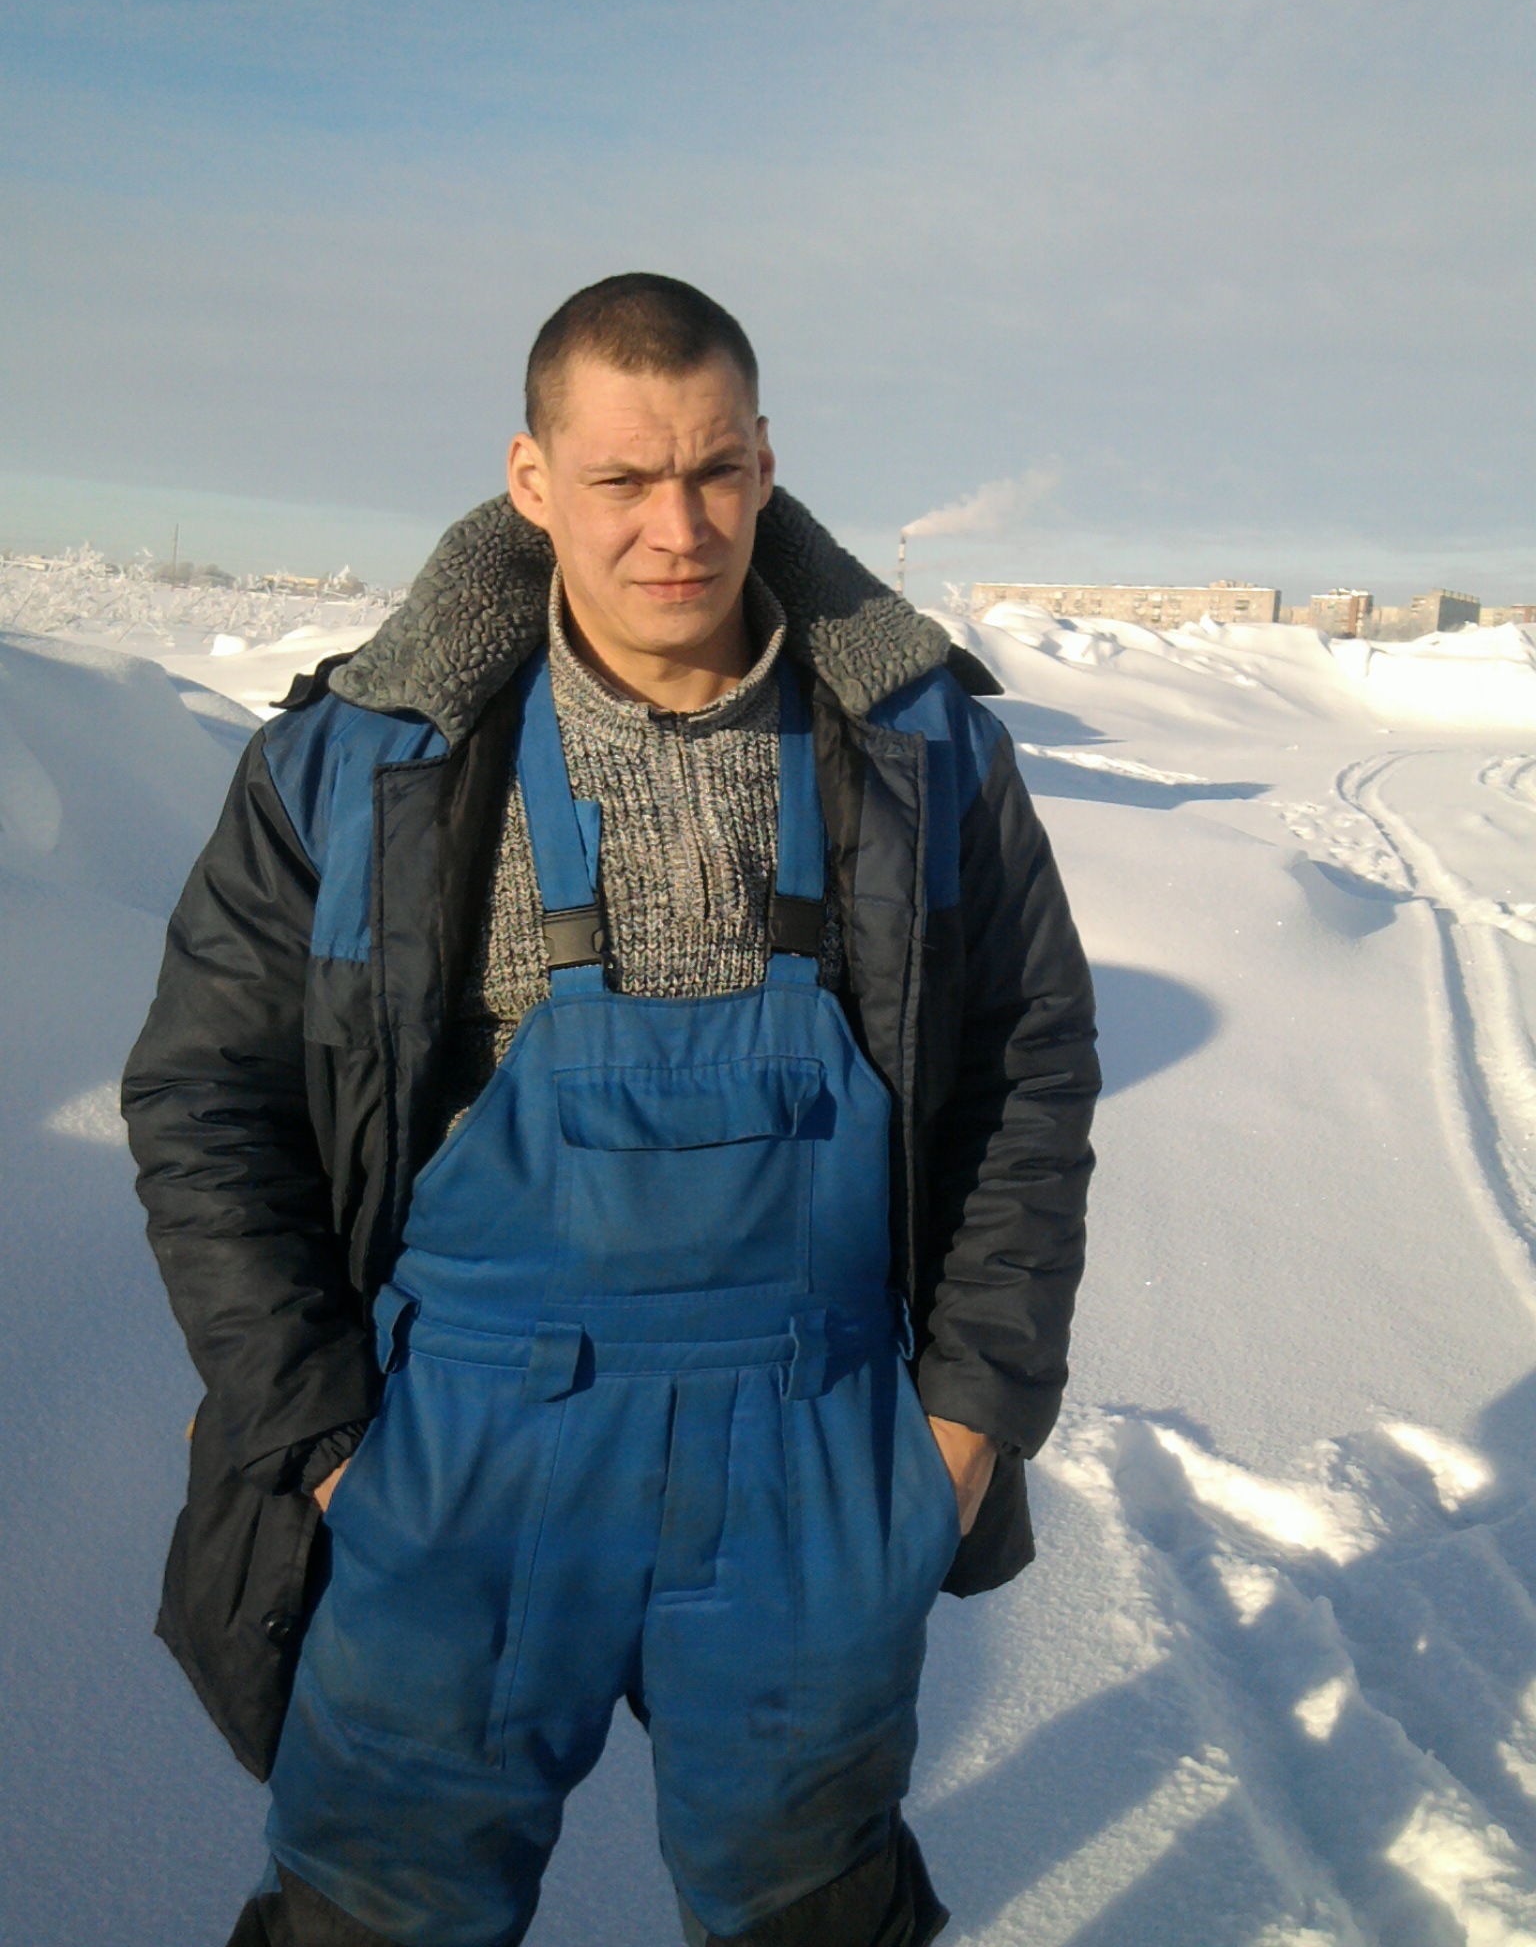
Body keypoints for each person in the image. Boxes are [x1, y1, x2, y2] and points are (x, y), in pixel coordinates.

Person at [123, 272, 1099, 1947]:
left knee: (812, 1910)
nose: (678, 527)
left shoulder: (919, 750)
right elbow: (205, 1098)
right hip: (457, 1456)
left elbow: (1031, 1066)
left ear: (767, 464)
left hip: (817, 1443)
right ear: (532, 479)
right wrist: (322, 1441)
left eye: (715, 471)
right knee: (377, 1912)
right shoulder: (370, 760)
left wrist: (968, 1419)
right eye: (624, 479)